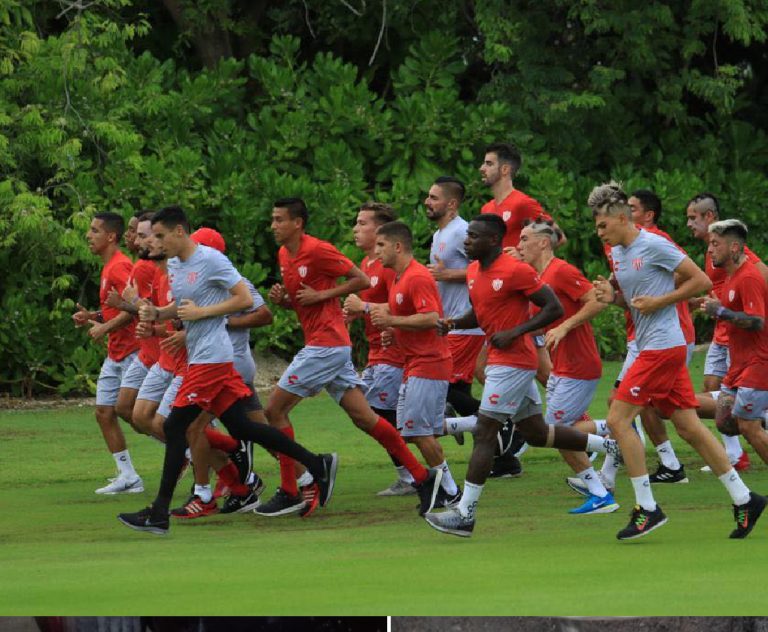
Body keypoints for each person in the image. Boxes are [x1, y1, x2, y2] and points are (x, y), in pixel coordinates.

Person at [117, 205, 338, 536]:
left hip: (213, 358)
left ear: (180, 232)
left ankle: (159, 513)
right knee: (243, 427)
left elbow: (243, 299)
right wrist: (155, 314)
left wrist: (204, 312)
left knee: (175, 425)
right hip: (204, 357)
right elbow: (181, 307)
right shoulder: (176, 266)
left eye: (161, 236)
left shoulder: (211, 260)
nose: (157, 243)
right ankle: (316, 463)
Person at [423, 214, 620, 537]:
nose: (466, 241)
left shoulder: (516, 270)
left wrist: (517, 332)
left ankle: (465, 512)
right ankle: (609, 445)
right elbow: (481, 309)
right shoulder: (473, 271)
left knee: (487, 431)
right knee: (537, 434)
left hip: (514, 362)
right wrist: (455, 323)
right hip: (504, 360)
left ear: (493, 241)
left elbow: (553, 307)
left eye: (473, 236)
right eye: (467, 235)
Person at [590, 182, 764, 540]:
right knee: (689, 427)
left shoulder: (653, 244)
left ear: (623, 218)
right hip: (652, 345)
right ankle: (744, 498)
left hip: (662, 347)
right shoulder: (618, 254)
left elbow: (700, 281)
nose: (599, 232)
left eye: (603, 225)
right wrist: (614, 298)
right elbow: (637, 300)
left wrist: (661, 302)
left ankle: (647, 508)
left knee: (617, 420)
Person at [256, 198, 442, 518]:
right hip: (329, 345)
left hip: (325, 346)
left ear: (297, 223)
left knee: (274, 410)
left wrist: (323, 294)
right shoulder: (285, 255)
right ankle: (423, 479)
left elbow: (361, 280)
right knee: (366, 419)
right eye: (272, 219)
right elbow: (307, 305)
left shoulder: (318, 250)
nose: (273, 225)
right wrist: (286, 301)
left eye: (279, 219)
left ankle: (295, 486)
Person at [516, 219, 617, 515]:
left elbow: (597, 301)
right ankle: (616, 432)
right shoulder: (538, 276)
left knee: (557, 432)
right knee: (559, 432)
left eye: (524, 239)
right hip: (563, 366)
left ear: (543, 243)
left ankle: (613, 449)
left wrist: (565, 328)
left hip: (580, 364)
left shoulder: (561, 271)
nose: (519, 245)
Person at [366, 220, 462, 507]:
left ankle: (450, 491)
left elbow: (432, 318)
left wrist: (392, 321)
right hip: (415, 363)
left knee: (418, 432)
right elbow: (415, 321)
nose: (376, 251)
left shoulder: (417, 277)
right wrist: (394, 333)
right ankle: (471, 428)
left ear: (397, 246)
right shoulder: (398, 278)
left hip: (429, 363)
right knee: (414, 431)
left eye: (381, 245)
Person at [686, 193, 768, 472]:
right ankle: (760, 412)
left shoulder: (748, 275)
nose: (710, 251)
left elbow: (757, 321)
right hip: (739, 360)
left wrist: (720, 312)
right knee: (724, 418)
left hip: (758, 360)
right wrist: (709, 304)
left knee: (747, 425)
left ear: (733, 248)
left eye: (715, 245)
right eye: (710, 245)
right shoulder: (731, 273)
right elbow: (728, 301)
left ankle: (755, 419)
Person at [343, 202, 412, 497]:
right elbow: (365, 307)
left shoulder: (389, 266)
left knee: (376, 416)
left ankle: (409, 475)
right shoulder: (366, 264)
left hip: (394, 353)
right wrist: (350, 313)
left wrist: (364, 306)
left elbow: (403, 306)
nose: (356, 229)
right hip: (376, 352)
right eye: (356, 223)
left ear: (380, 229)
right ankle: (440, 419)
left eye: (362, 223)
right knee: (369, 415)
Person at [72, 212, 142, 494]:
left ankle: (191, 449)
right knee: (103, 412)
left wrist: (104, 328)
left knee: (137, 414)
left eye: (94, 230)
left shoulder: (120, 266)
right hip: (116, 353)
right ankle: (128, 476)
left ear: (110, 236)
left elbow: (135, 308)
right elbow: (117, 308)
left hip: (135, 351)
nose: (89, 235)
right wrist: (94, 315)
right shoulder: (109, 266)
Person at [424, 177, 485, 431]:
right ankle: (502, 457)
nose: (427, 202)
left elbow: (486, 268)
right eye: (428, 196)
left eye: (434, 198)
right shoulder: (440, 233)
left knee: (440, 384)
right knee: (458, 391)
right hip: (450, 324)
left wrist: (446, 274)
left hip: (465, 324)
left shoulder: (462, 231)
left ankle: (505, 425)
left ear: (451, 204)